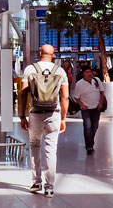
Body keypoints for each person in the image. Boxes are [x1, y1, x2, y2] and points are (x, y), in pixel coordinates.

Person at [19, 44, 69, 198]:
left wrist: (22, 116)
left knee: (34, 145)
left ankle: (36, 182)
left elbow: (22, 94)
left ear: (39, 53)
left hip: (35, 113)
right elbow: (65, 97)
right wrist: (63, 118)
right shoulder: (60, 71)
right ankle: (49, 187)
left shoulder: (29, 69)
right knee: (51, 149)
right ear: (53, 55)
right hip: (54, 113)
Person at [73, 68, 105, 155]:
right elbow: (76, 97)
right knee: (87, 126)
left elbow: (102, 92)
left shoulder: (96, 80)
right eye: (86, 72)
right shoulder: (79, 84)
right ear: (83, 74)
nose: (89, 74)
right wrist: (82, 105)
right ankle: (89, 146)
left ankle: (91, 141)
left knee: (94, 126)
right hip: (86, 109)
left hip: (96, 107)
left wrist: (100, 103)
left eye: (90, 72)